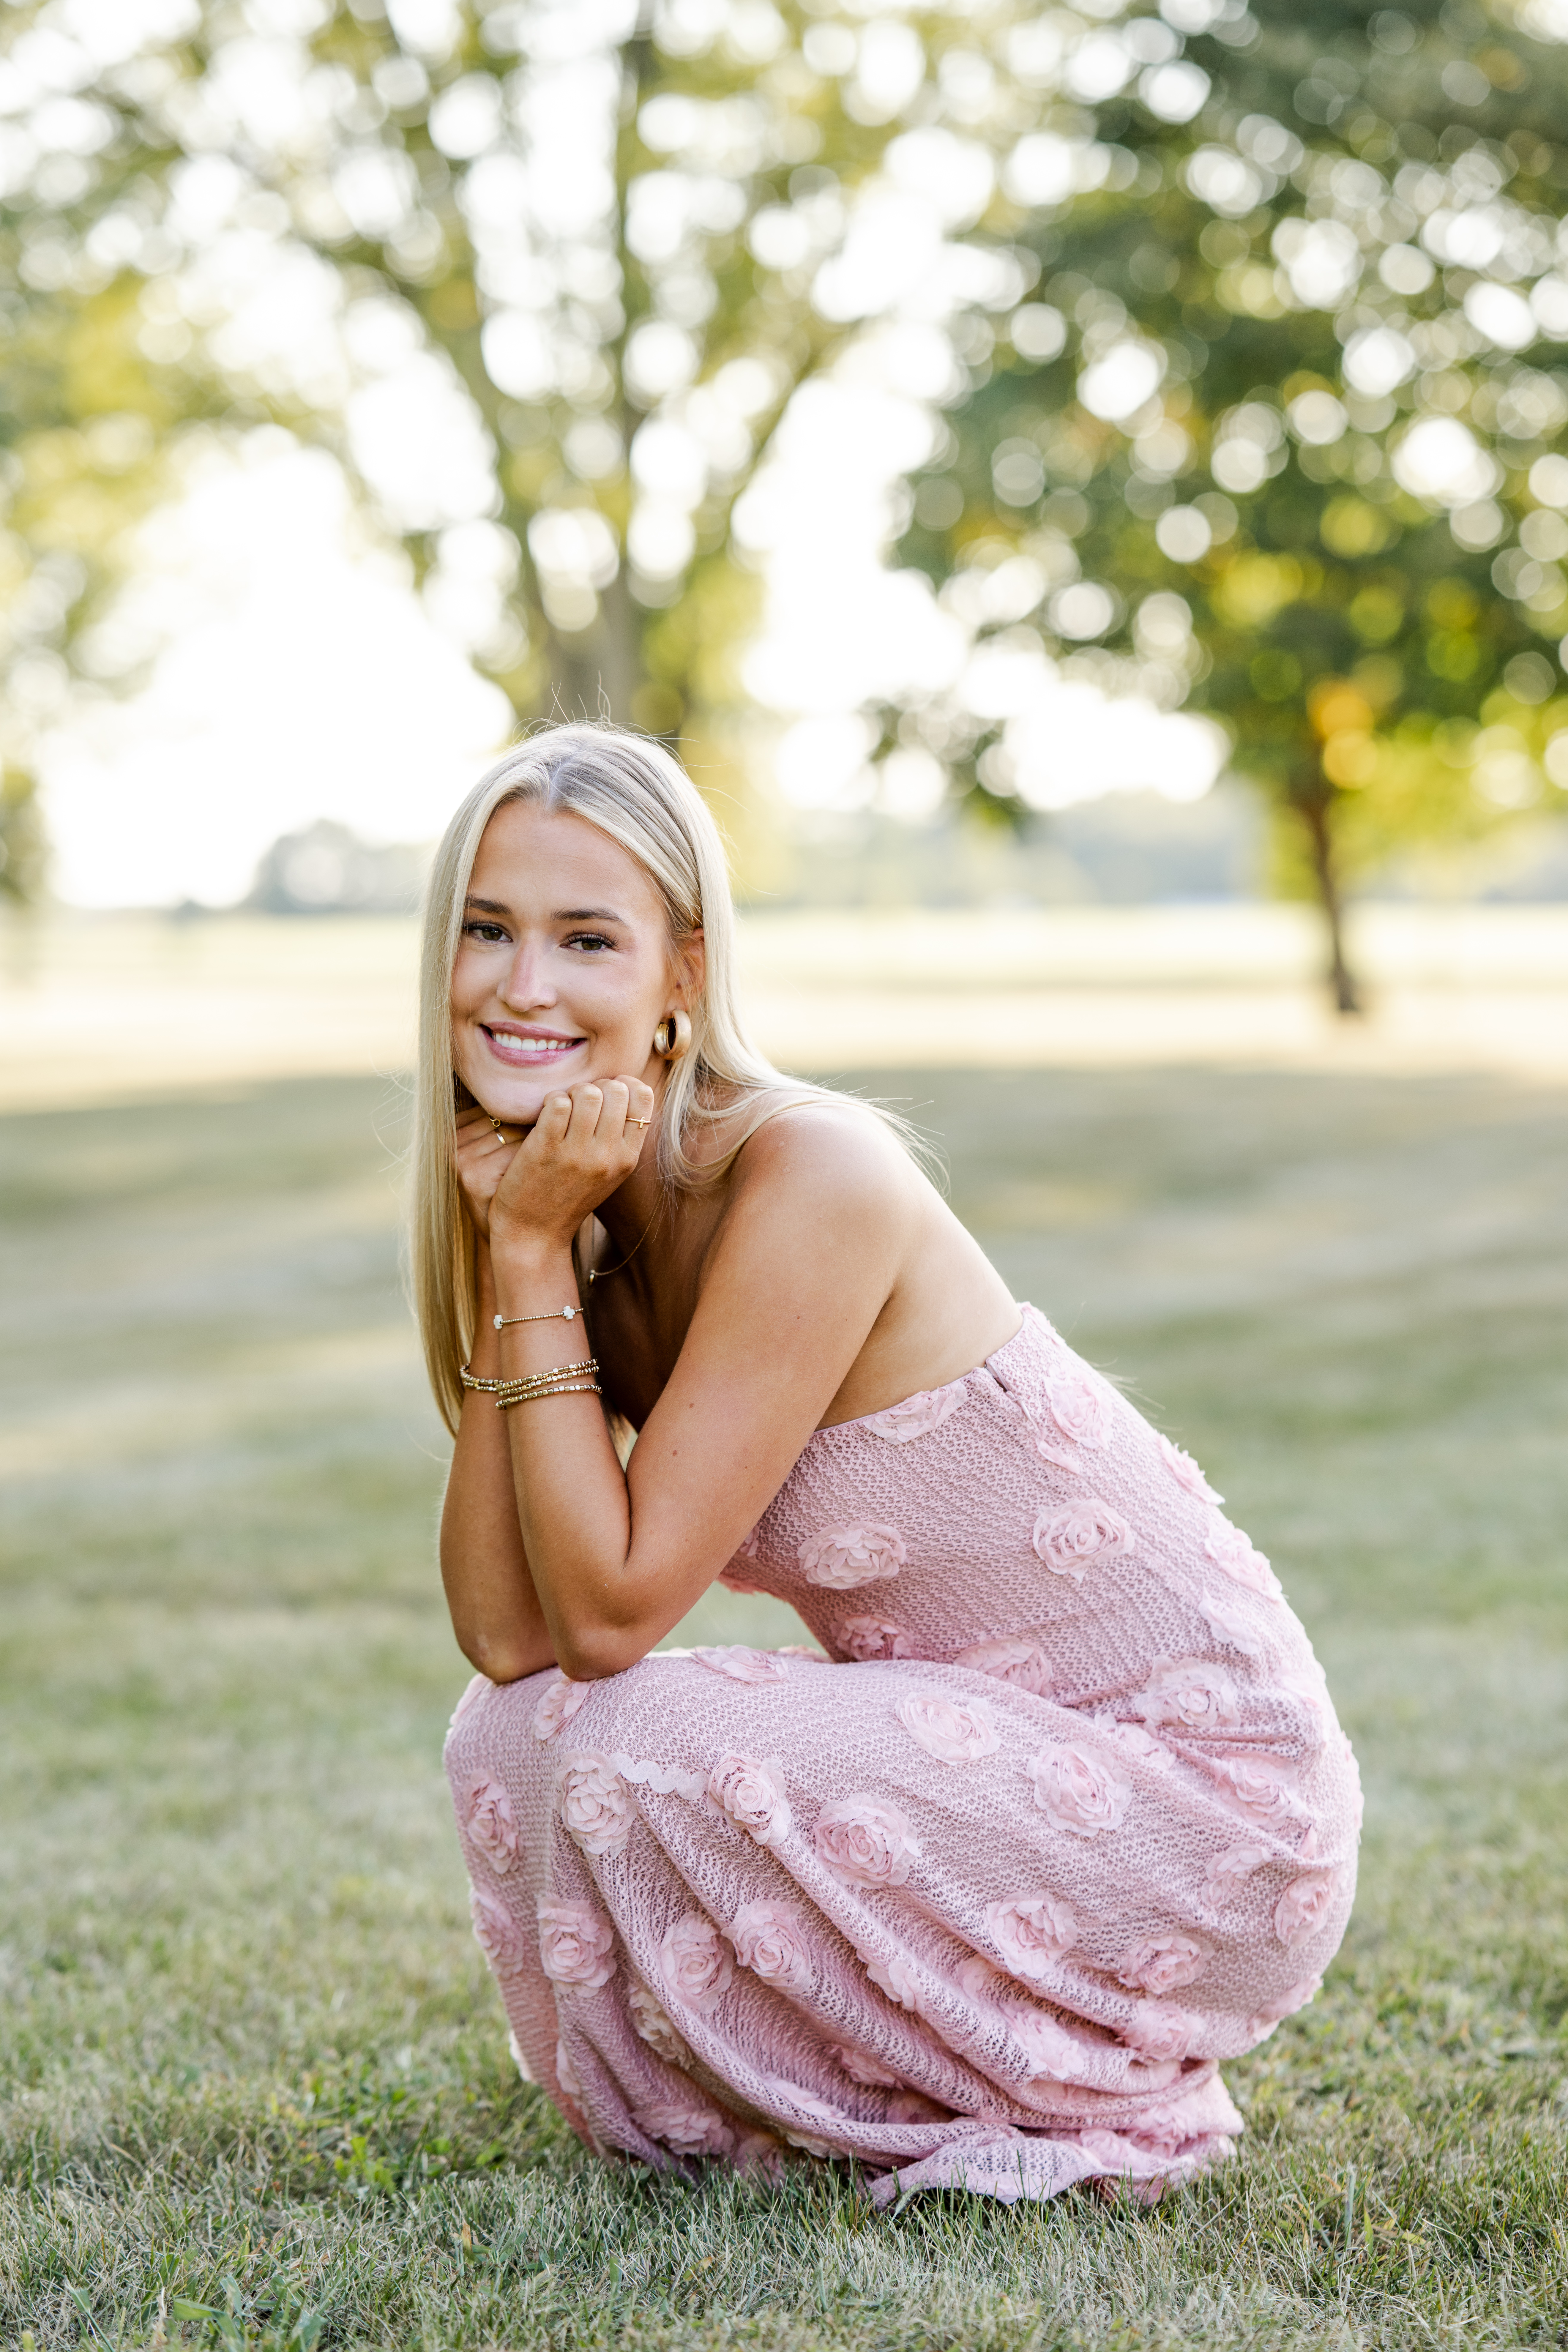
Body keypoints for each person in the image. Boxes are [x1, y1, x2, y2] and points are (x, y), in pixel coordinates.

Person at [419, 721, 1359, 2207]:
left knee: (632, 1726)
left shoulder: (815, 1174)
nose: (523, 986)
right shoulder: (589, 1221)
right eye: (487, 930)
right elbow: (511, 1636)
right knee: (500, 1735)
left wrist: (529, 1240)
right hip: (997, 1767)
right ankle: (767, 2103)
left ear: (682, 975)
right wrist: (516, 1255)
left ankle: (958, 2083)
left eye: (585, 938)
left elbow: (605, 1624)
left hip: (1209, 1816)